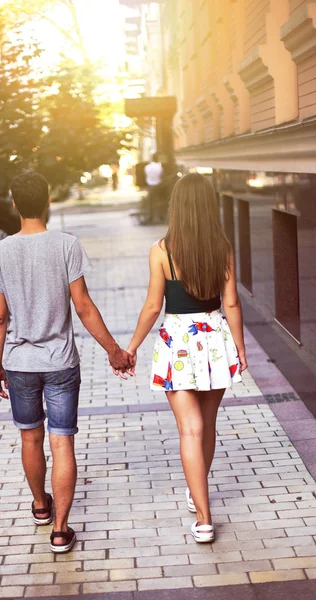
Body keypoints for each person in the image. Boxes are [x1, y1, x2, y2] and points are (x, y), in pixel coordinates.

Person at [0, 170, 132, 554]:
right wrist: (114, 350)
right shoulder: (66, 245)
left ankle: (39, 506)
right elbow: (83, 306)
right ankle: (61, 531)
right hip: (61, 362)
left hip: (19, 362)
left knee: (30, 437)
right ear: (48, 200)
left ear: (14, 203)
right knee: (61, 442)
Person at [124, 173, 247, 543]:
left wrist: (130, 348)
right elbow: (232, 302)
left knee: (189, 430)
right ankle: (199, 500)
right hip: (213, 341)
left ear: (175, 207)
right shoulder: (222, 248)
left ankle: (204, 517)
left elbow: (151, 306)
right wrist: (240, 348)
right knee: (206, 425)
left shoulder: (161, 250)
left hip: (176, 343)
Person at [144, 152, 163, 223]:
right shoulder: (159, 167)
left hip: (150, 185)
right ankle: (158, 217)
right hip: (158, 186)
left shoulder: (147, 167)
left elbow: (146, 176)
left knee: (150, 202)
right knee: (158, 202)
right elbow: (161, 176)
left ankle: (150, 216)